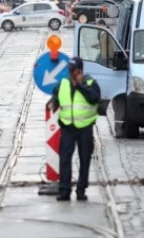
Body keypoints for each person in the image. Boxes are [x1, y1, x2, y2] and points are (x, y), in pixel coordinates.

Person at [47, 57, 101, 201]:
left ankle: (81, 189)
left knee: (85, 159)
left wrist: (80, 85)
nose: (71, 73)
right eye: (70, 70)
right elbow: (56, 95)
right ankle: (64, 190)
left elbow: (94, 98)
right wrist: (53, 102)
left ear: (80, 70)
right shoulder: (64, 83)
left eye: (74, 70)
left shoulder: (89, 82)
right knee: (65, 158)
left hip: (85, 127)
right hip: (67, 127)